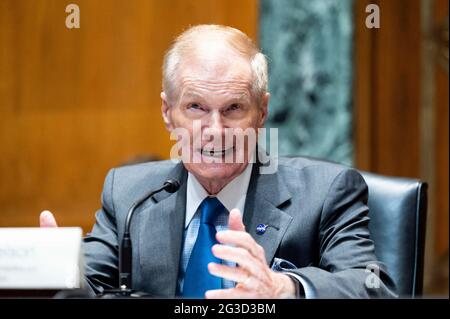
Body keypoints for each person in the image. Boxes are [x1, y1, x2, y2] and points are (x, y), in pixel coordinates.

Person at [40, 24, 397, 298]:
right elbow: (90, 281)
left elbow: (372, 285)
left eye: (233, 109)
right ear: (168, 112)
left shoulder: (325, 192)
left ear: (262, 112)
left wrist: (283, 287)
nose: (214, 130)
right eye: (196, 107)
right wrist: (58, 270)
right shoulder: (129, 193)